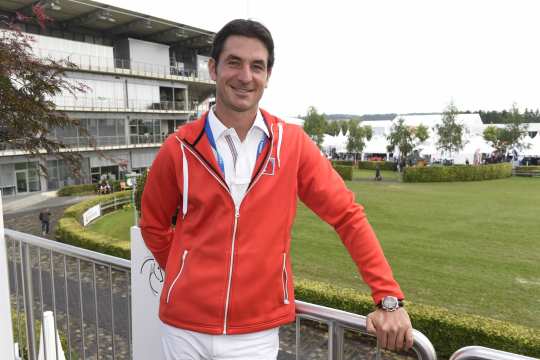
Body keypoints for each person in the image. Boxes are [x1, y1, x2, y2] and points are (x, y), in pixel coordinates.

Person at [140, 19, 413, 360]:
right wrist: (186, 275)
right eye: (234, 62)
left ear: (268, 76)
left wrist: (387, 298)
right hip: (183, 330)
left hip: (255, 333)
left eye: (257, 66)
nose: (245, 76)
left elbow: (346, 216)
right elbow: (152, 225)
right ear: (213, 69)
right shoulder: (177, 147)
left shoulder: (292, 144)